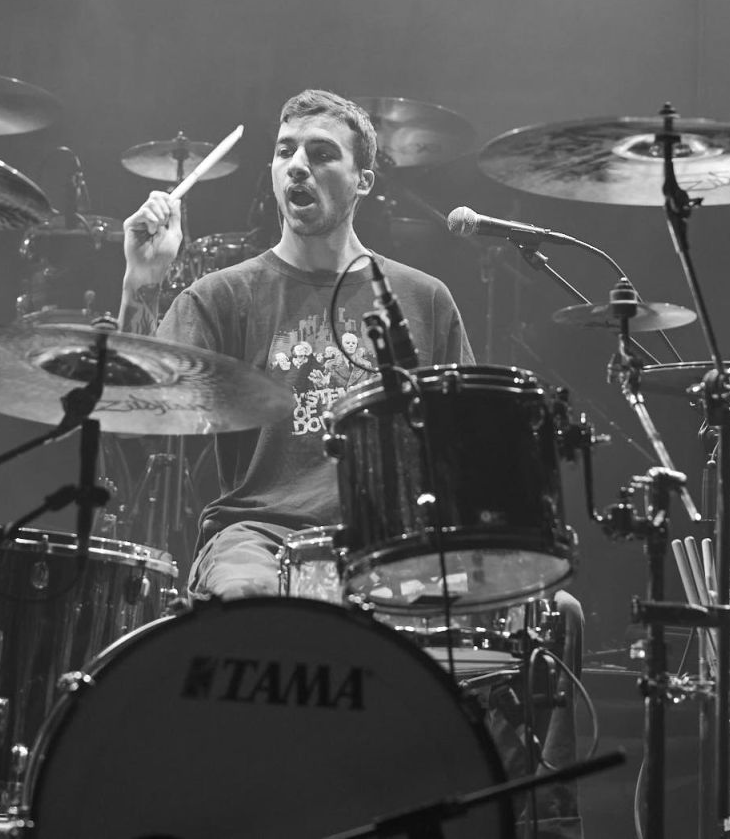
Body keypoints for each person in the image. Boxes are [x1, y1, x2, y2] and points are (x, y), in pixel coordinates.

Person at [117, 88, 474, 597]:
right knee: (250, 596)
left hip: (393, 543)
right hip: (261, 535)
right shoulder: (222, 296)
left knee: (548, 610)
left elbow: (461, 444)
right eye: (285, 151)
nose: (298, 165)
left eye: (322, 153)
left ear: (363, 181)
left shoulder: (424, 298)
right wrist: (141, 280)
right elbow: (137, 409)